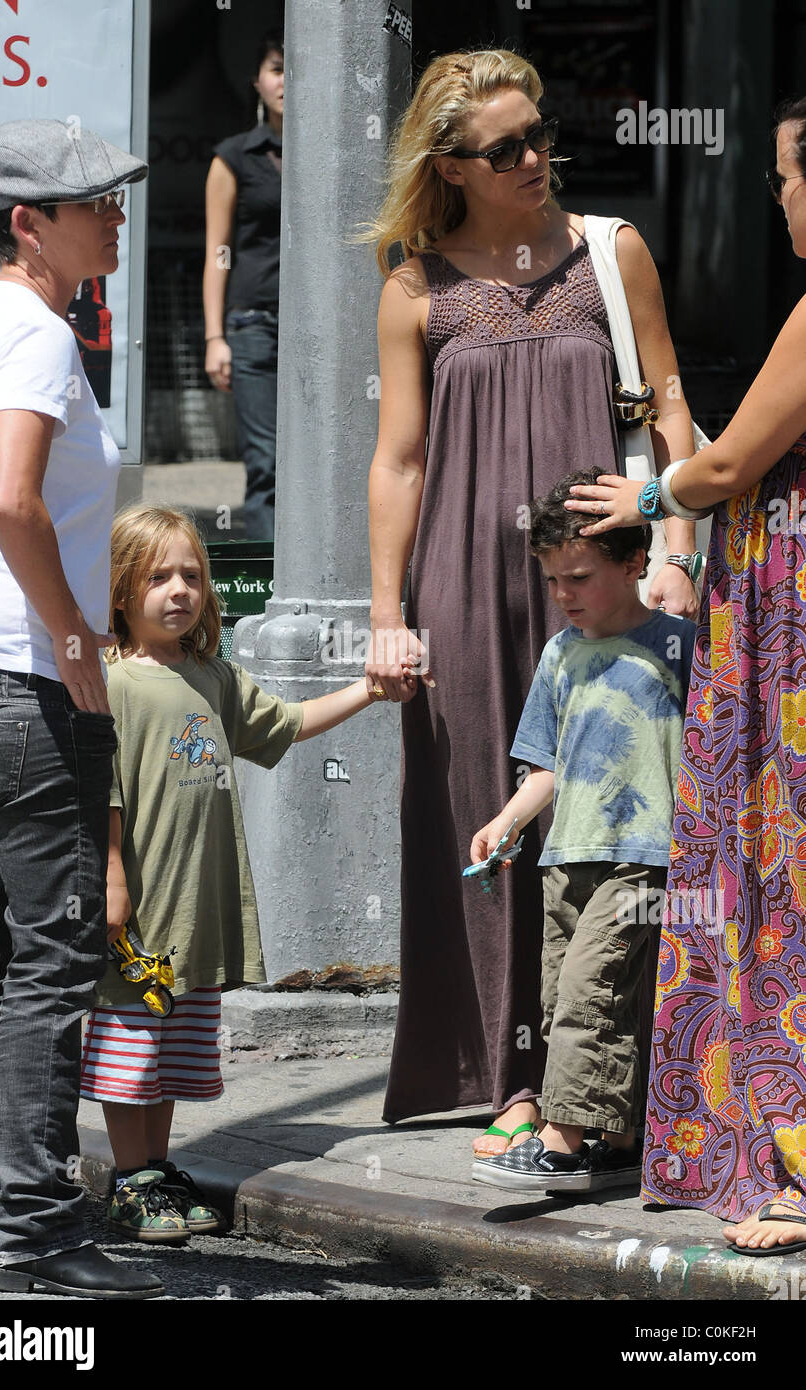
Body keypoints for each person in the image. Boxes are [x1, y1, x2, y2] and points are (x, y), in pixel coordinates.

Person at [362, 48, 700, 1144]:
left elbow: (669, 406)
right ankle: (505, 1072)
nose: (535, 156)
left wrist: (675, 548)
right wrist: (384, 613)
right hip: (457, 583)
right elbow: (399, 460)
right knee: (482, 816)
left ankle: (605, 1079)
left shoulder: (610, 251)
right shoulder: (414, 285)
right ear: (450, 165)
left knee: (613, 827)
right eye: (505, 147)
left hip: (599, 580)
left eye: (540, 132)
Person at [563, 99, 806, 1255]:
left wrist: (646, 499)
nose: (778, 200)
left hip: (786, 619)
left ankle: (785, 1155)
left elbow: (722, 461)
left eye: (780, 178)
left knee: (775, 862)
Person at [0, 120, 161, 1299]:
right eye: (95, 204)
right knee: (47, 963)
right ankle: (37, 1230)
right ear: (28, 225)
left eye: (117, 200)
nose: (115, 216)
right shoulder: (31, 331)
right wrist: (75, 633)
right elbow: (14, 499)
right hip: (22, 684)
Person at [79, 504, 406, 1242]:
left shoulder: (212, 674)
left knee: (165, 1051)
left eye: (191, 575)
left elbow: (282, 725)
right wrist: (111, 877)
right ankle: (130, 1180)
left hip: (198, 906)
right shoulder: (113, 680)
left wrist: (369, 690)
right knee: (131, 1049)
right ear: (121, 591)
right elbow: (100, 788)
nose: (178, 590)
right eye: (157, 576)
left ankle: (155, 1171)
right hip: (143, 906)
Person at [468, 470, 694, 1191]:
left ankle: (560, 1140)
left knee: (592, 992)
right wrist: (504, 823)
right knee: (567, 995)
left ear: (635, 564)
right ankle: (618, 1137)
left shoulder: (679, 645)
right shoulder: (559, 655)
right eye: (553, 580)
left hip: (645, 857)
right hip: (566, 855)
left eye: (579, 577)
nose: (563, 594)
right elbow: (546, 768)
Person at [203, 30, 284, 540]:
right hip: (254, 324)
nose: (287, 81)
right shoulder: (233, 156)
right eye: (277, 68)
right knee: (268, 461)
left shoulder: (340, 157)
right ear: (256, 81)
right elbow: (217, 250)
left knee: (332, 456)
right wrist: (215, 337)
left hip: (325, 328)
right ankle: (270, 586)